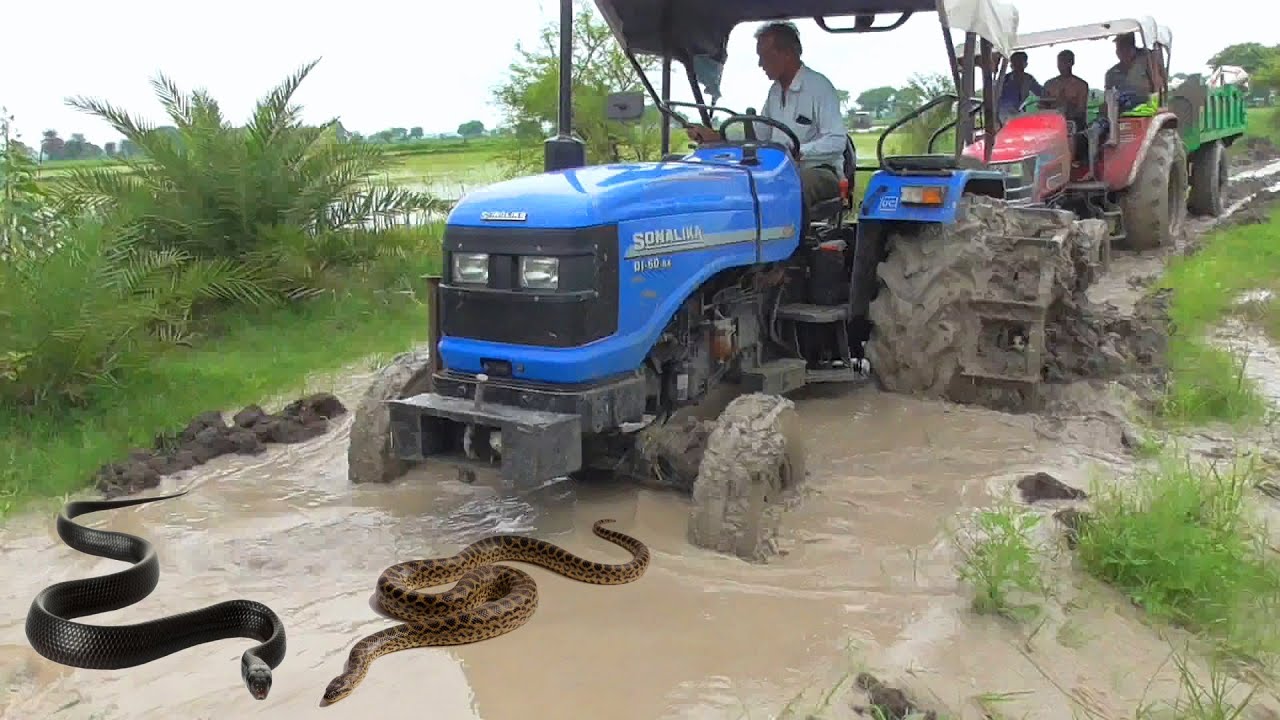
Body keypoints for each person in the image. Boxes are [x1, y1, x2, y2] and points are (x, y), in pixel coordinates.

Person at [685, 22, 846, 210]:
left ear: (787, 54)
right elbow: (758, 134)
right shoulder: (775, 92)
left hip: (818, 170)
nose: (760, 64)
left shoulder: (819, 87)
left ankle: (785, 229)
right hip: (779, 170)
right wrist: (717, 136)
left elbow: (837, 140)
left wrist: (798, 152)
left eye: (765, 57)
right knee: (736, 185)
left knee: (787, 190)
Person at [1041, 49, 1090, 129]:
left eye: (1065, 61)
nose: (1061, 65)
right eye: (1059, 62)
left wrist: (1066, 105)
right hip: (1052, 125)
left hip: (1074, 126)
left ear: (1072, 62)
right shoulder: (1049, 84)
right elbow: (1042, 106)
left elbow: (1081, 112)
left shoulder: (1081, 85)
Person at [1104, 32, 1163, 98]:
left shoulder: (1148, 60)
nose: (1120, 51)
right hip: (1123, 103)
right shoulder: (1111, 74)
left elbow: (1158, 86)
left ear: (1133, 47)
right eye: (1118, 48)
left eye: (1125, 47)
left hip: (1147, 102)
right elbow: (1108, 97)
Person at [998, 51, 1043, 122]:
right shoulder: (1005, 79)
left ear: (1025, 64)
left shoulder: (1029, 79)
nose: (1016, 65)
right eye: (1014, 62)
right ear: (1011, 65)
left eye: (1019, 62)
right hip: (1003, 113)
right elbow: (996, 97)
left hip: (1018, 112)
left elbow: (1041, 92)